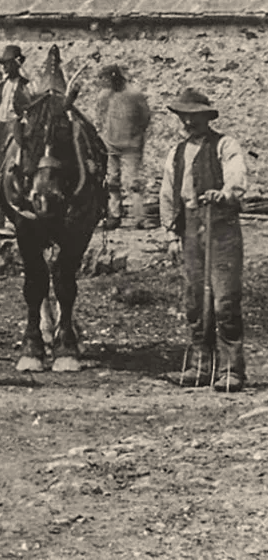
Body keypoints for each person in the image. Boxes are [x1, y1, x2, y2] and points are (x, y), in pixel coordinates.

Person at [159, 89, 249, 392]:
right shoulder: (177, 152)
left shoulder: (224, 145)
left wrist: (223, 194)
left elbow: (236, 176)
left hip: (221, 228)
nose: (187, 121)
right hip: (191, 229)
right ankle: (199, 366)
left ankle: (231, 369)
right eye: (183, 116)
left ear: (205, 118)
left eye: (193, 116)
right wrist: (172, 234)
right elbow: (168, 195)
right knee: (195, 299)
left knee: (224, 299)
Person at [95, 64, 154, 230]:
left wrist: (135, 136)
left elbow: (145, 117)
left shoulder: (134, 94)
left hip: (131, 147)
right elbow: (100, 115)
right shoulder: (104, 95)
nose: (105, 83)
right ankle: (114, 215)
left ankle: (139, 218)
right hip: (110, 144)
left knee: (133, 182)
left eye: (106, 79)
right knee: (112, 181)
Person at [0, 45, 32, 237]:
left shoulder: (26, 84)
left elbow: (33, 101)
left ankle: (14, 221)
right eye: (3, 64)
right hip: (0, 131)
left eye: (8, 64)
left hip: (18, 130)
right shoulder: (1, 86)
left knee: (14, 172)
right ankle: (3, 216)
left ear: (16, 64)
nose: (5, 68)